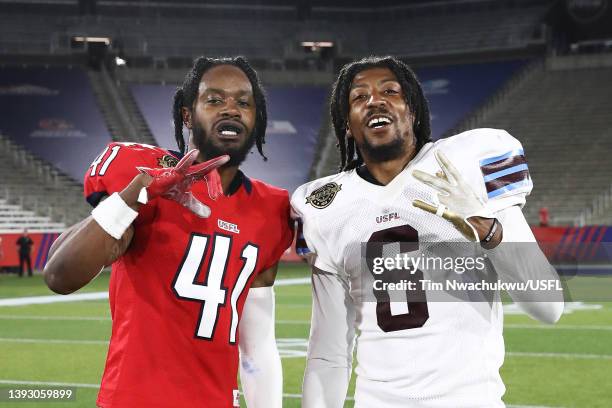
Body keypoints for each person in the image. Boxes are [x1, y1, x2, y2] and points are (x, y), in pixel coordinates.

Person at [292, 56, 564, 408]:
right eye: (359, 97)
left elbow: (548, 307)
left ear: (414, 109)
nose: (375, 100)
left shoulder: (466, 162)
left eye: (390, 91)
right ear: (347, 124)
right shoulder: (323, 206)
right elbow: (328, 353)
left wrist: (490, 230)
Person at [44, 56, 293, 408]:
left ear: (256, 118)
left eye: (243, 102)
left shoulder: (271, 209)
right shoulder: (141, 172)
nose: (231, 110)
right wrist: (136, 193)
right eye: (215, 99)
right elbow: (59, 275)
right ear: (188, 115)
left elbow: (258, 347)